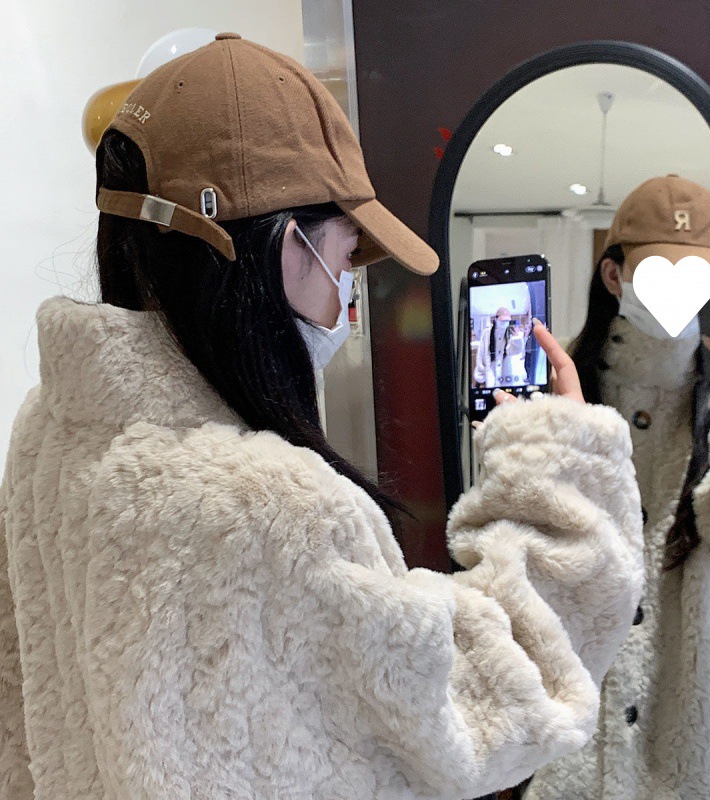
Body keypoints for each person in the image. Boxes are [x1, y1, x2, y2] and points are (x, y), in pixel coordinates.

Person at [0, 34, 644, 800]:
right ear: (286, 247)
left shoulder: (50, 435)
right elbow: (483, 705)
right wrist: (560, 467)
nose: (348, 294)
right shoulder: (269, 508)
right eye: (344, 257)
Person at [524, 175, 710, 800]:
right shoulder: (565, 384)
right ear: (614, 275)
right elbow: (535, 561)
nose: (681, 295)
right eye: (661, 273)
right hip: (582, 724)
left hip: (704, 719)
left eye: (702, 280)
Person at [473, 306, 527, 388]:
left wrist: (516, 338)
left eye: (507, 321)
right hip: (491, 374)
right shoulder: (487, 333)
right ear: (496, 319)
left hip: (507, 375)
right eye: (502, 320)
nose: (505, 323)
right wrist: (482, 374)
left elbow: (515, 351)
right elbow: (481, 354)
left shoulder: (512, 334)